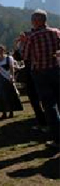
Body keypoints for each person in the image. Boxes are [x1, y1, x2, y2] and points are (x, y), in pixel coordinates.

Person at [21, 9, 60, 149]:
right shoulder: (56, 32)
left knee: (49, 106)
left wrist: (23, 42)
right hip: (56, 70)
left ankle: (57, 139)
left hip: (40, 73)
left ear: (36, 21)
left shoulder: (32, 37)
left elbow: (25, 56)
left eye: (32, 20)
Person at [0, 45, 23, 118]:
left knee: (10, 95)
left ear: (4, 51)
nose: (0, 52)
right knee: (1, 97)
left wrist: (12, 77)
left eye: (2, 50)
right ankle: (4, 112)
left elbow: (12, 68)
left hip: (7, 79)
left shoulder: (9, 58)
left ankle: (11, 111)